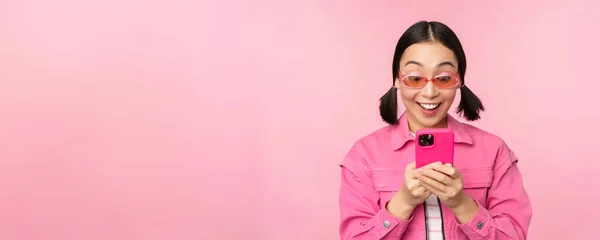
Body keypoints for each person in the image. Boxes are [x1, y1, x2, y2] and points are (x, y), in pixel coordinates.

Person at [338, 21, 532, 240]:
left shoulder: (494, 150)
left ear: (459, 81)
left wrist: (461, 203)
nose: (429, 92)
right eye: (414, 78)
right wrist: (402, 203)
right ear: (397, 80)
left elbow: (513, 236)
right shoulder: (364, 154)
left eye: (443, 78)